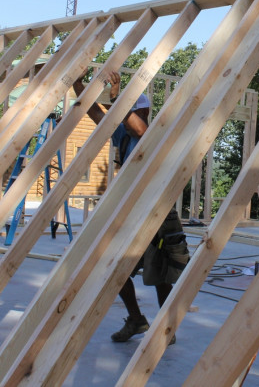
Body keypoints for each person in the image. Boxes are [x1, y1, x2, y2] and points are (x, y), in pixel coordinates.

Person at [73, 70, 189, 344]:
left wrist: (116, 97)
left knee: (161, 271)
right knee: (113, 266)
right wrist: (78, 84)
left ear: (143, 111)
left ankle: (165, 328)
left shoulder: (151, 133)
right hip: (129, 208)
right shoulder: (120, 133)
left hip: (156, 208)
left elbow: (138, 128)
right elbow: (93, 112)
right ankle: (136, 319)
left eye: (129, 112)